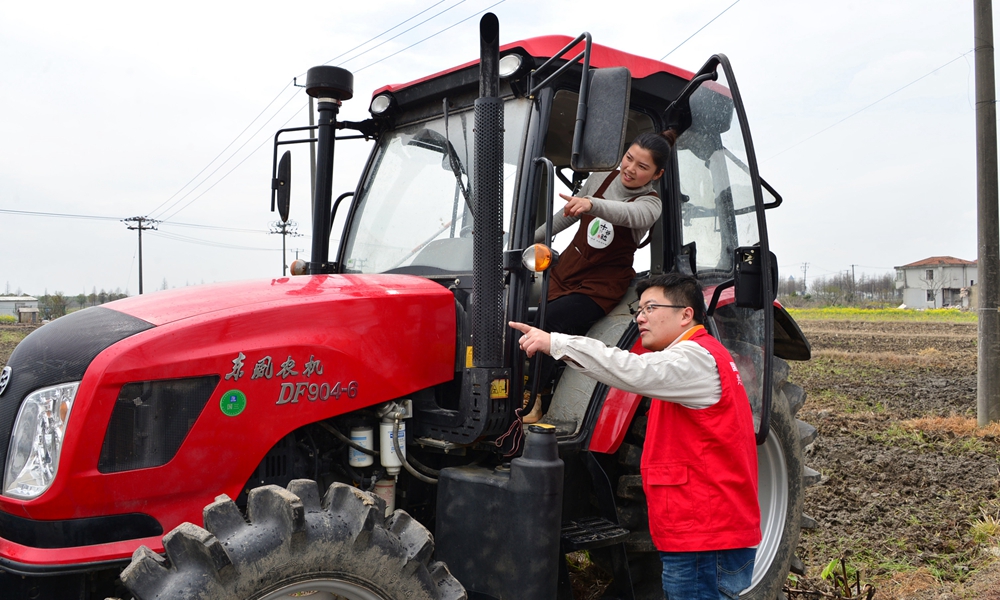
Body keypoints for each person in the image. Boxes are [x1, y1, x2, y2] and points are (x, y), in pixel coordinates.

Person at [510, 273, 761, 599]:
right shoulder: (702, 356)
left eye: (651, 308)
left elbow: (633, 369)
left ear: (686, 314)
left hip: (702, 536)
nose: (640, 317)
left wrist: (557, 343)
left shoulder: (694, 359)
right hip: (704, 530)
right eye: (637, 309)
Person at [523, 130, 674, 423]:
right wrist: (527, 240)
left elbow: (625, 215)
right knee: (518, 314)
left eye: (642, 167)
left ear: (657, 173)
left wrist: (592, 204)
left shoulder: (650, 205)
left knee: (549, 322)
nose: (630, 169)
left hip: (599, 287)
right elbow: (567, 214)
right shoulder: (601, 177)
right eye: (628, 158)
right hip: (566, 272)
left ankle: (534, 399)